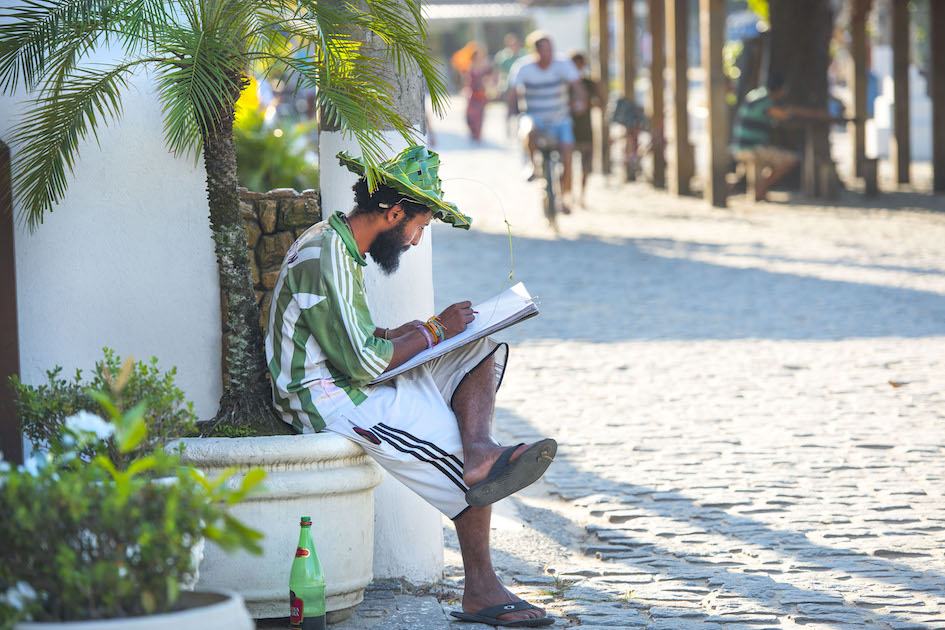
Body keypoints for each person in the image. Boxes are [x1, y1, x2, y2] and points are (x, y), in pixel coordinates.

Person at [266, 145, 557, 628]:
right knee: (453, 453)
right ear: (394, 212)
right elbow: (359, 362)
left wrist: (426, 333)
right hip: (327, 398)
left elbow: (359, 339)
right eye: (418, 227)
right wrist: (434, 331)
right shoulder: (326, 255)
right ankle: (481, 587)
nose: (416, 241)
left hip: (353, 378)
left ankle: (482, 449)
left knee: (479, 349)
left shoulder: (337, 242)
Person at [508, 30, 586, 214]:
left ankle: (565, 197)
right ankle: (533, 166)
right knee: (527, 131)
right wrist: (512, 111)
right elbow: (512, 92)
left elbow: (578, 87)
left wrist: (580, 101)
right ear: (535, 51)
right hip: (535, 116)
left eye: (550, 49)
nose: (548, 53)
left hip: (560, 118)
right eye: (544, 49)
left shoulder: (563, 65)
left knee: (567, 153)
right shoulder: (523, 67)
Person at [730, 73, 833, 202]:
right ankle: (760, 190)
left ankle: (758, 191)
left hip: (740, 146)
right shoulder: (765, 101)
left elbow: (786, 110)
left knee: (769, 157)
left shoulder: (756, 94)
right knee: (791, 159)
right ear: (780, 89)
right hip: (751, 147)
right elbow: (785, 114)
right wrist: (817, 115)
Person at [568, 51, 600, 208]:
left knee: (585, 166)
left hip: (585, 129)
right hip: (569, 129)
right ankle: (568, 195)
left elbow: (600, 102)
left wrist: (590, 101)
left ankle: (581, 196)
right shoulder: (564, 84)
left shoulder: (589, 83)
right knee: (566, 164)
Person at [494, 33, 527, 139]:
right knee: (509, 109)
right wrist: (497, 87)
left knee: (521, 109)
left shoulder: (523, 55)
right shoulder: (503, 57)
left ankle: (519, 129)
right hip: (507, 86)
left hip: (520, 87)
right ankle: (508, 129)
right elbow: (499, 72)